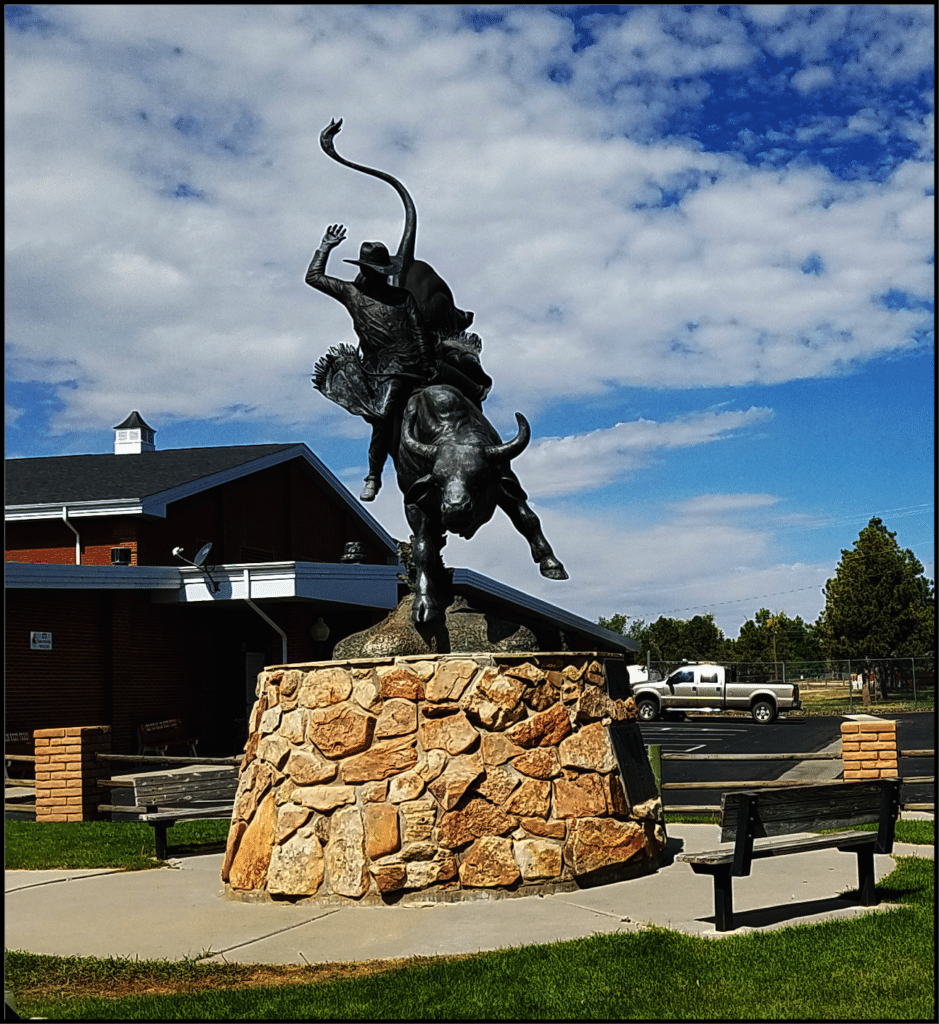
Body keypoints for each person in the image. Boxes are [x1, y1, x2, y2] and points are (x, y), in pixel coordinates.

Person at [306, 224, 436, 501]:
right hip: (379, 371)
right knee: (382, 415)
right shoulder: (352, 294)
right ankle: (373, 476)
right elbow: (314, 277)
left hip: (408, 365)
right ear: (365, 271)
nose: (376, 277)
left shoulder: (403, 298)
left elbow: (419, 333)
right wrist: (325, 247)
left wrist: (428, 364)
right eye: (372, 272)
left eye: (380, 272)